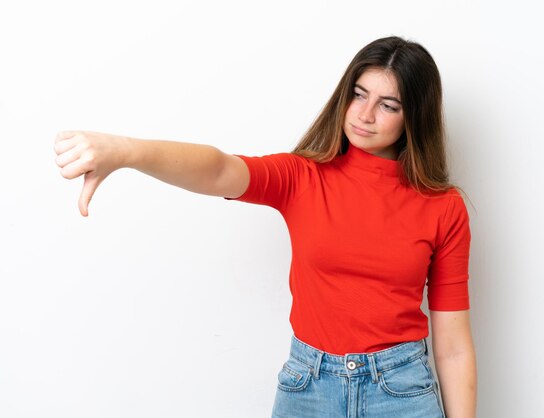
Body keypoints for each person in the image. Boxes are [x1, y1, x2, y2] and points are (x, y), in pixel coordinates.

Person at [54, 36, 476, 418]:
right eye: (358, 95)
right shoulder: (304, 177)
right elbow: (220, 169)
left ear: (413, 116)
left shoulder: (443, 206)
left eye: (388, 105)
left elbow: (454, 348)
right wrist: (126, 151)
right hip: (310, 387)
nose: (364, 115)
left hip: (401, 391)